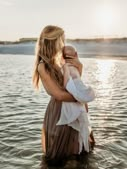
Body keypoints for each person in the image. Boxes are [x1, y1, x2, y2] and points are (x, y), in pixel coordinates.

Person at [32, 25, 95, 163]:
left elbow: (74, 83)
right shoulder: (43, 66)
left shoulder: (59, 60)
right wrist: (82, 97)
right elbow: (59, 95)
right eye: (61, 40)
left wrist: (79, 66)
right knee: (59, 156)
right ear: (53, 41)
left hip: (73, 108)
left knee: (76, 151)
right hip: (59, 112)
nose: (63, 44)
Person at [56, 45, 96, 154]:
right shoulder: (75, 66)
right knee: (83, 122)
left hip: (74, 96)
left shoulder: (65, 66)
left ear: (63, 57)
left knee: (81, 123)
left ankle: (81, 148)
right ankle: (85, 147)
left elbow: (65, 84)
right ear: (76, 55)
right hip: (78, 96)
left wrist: (69, 89)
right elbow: (77, 81)